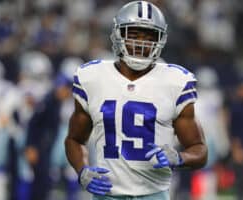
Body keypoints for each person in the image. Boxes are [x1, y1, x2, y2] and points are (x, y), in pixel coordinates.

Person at [65, 1, 208, 200]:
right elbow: (74, 139)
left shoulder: (175, 81)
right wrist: (82, 170)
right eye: (134, 35)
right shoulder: (93, 77)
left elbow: (199, 150)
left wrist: (180, 157)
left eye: (149, 36)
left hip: (153, 194)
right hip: (107, 194)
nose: (141, 43)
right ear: (118, 35)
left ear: (161, 40)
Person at [24, 72, 73, 200]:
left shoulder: (56, 102)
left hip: (45, 146)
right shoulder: (48, 101)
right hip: (39, 147)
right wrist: (31, 147)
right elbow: (32, 124)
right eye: (66, 90)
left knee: (44, 181)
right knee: (40, 182)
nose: (68, 94)